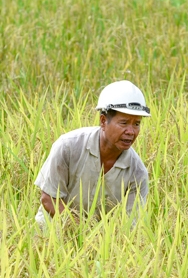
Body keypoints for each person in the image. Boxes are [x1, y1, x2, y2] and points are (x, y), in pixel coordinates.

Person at [33, 80, 150, 229]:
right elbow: (49, 198)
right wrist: (81, 232)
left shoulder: (138, 173)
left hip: (101, 242)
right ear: (103, 121)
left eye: (137, 124)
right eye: (124, 123)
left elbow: (128, 224)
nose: (131, 131)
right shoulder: (68, 146)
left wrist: (97, 242)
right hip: (51, 235)